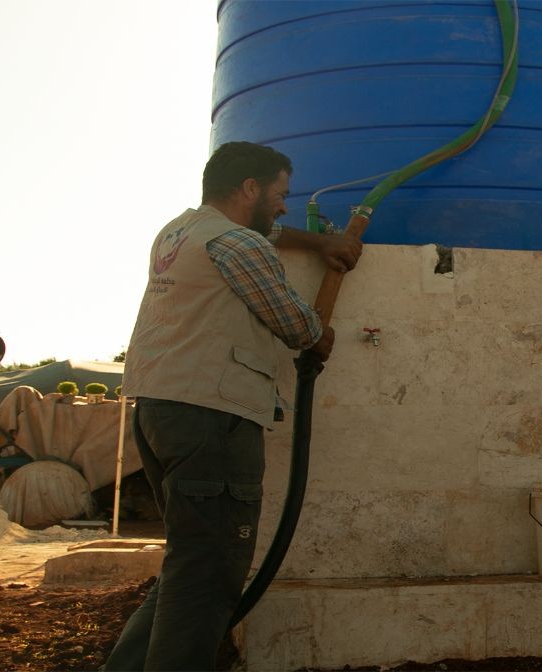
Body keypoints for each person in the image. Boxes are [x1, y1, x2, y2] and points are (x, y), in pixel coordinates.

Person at [104, 141, 361, 670]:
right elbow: (295, 324)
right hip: (211, 418)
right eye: (280, 194)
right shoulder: (240, 247)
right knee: (209, 576)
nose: (285, 206)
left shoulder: (181, 231)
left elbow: (265, 233)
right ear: (250, 188)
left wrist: (316, 242)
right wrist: (321, 334)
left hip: (160, 410)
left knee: (188, 564)